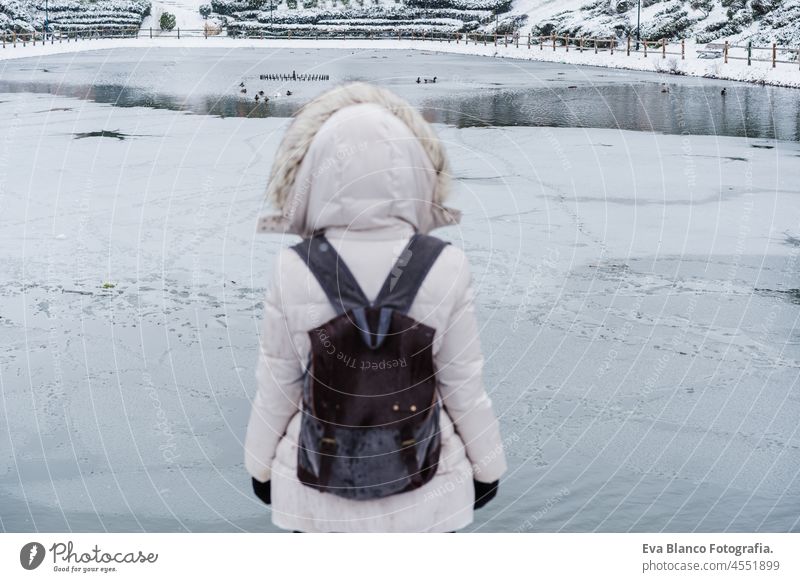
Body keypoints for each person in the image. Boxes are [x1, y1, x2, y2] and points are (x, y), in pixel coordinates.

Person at [244, 82, 507, 532]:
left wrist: (260, 465)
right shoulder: (446, 265)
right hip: (427, 495)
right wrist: (488, 468)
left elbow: (278, 385)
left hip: (314, 499)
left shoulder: (292, 268)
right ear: (415, 171)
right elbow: (463, 385)